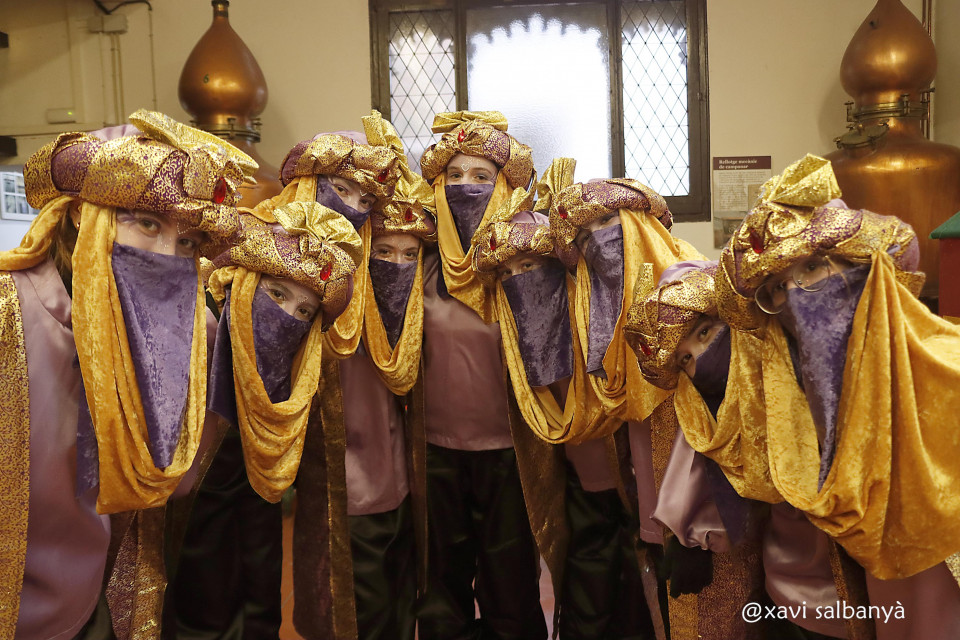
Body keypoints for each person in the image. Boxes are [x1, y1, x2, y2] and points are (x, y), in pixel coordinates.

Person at [0, 109, 253, 638]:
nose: (167, 256)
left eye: (187, 242)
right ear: (81, 215)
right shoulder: (9, 315)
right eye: (147, 223)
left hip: (94, 600)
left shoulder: (191, 328)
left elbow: (173, 480)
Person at [714, 153, 960, 639]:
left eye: (811, 267)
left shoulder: (944, 365)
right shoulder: (786, 389)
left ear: (858, 263)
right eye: (777, 288)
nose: (795, 295)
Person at [172, 127, 399, 639]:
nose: (352, 208)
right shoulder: (248, 241)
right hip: (212, 424)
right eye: (342, 190)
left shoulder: (365, 267)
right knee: (205, 571)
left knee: (261, 562)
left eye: (365, 200)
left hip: (280, 437)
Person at [470, 163, 654, 639]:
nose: (518, 280)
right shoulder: (516, 335)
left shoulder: (596, 308)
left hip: (635, 476)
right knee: (589, 585)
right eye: (506, 273)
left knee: (640, 593)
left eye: (529, 266)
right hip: (579, 481)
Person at [626, 260, 849, 639]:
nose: (701, 357)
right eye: (686, 359)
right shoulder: (706, 412)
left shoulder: (806, 369)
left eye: (705, 332)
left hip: (847, 578)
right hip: (786, 583)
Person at [416, 110, 557, 639]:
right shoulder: (420, 261)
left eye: (481, 175)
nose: (466, 186)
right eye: (454, 175)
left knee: (510, 586)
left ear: (503, 186)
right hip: (435, 452)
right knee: (441, 586)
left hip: (510, 452)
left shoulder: (526, 262)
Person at [293, 111, 433, 640]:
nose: (350, 207)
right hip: (343, 481)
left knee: (398, 597)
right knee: (351, 602)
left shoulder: (403, 296)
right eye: (341, 190)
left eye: (408, 254)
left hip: (399, 474)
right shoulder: (307, 280)